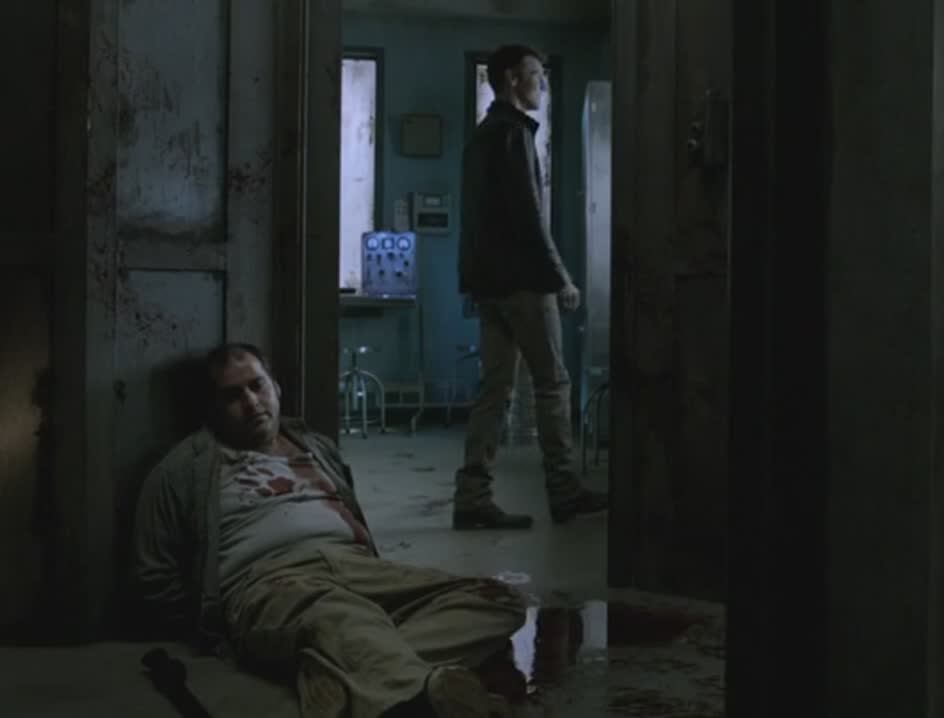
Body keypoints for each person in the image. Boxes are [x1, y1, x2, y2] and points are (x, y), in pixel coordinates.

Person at [132, 343, 526, 718]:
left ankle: (334, 677)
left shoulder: (315, 447)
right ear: (213, 408)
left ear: (276, 387)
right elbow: (156, 577)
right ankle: (418, 698)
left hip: (355, 566)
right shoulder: (182, 470)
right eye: (233, 396)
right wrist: (218, 628)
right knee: (343, 617)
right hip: (270, 581)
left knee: (498, 599)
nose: (251, 402)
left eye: (257, 386)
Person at [455, 43, 609, 530]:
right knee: (553, 382)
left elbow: (476, 220)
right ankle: (564, 491)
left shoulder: (482, 136)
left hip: (489, 285)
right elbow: (529, 217)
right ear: (510, 79)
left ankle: (472, 497)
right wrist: (560, 277)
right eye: (535, 74)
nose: (541, 83)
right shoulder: (513, 133)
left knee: (495, 390)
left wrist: (474, 280)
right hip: (522, 283)